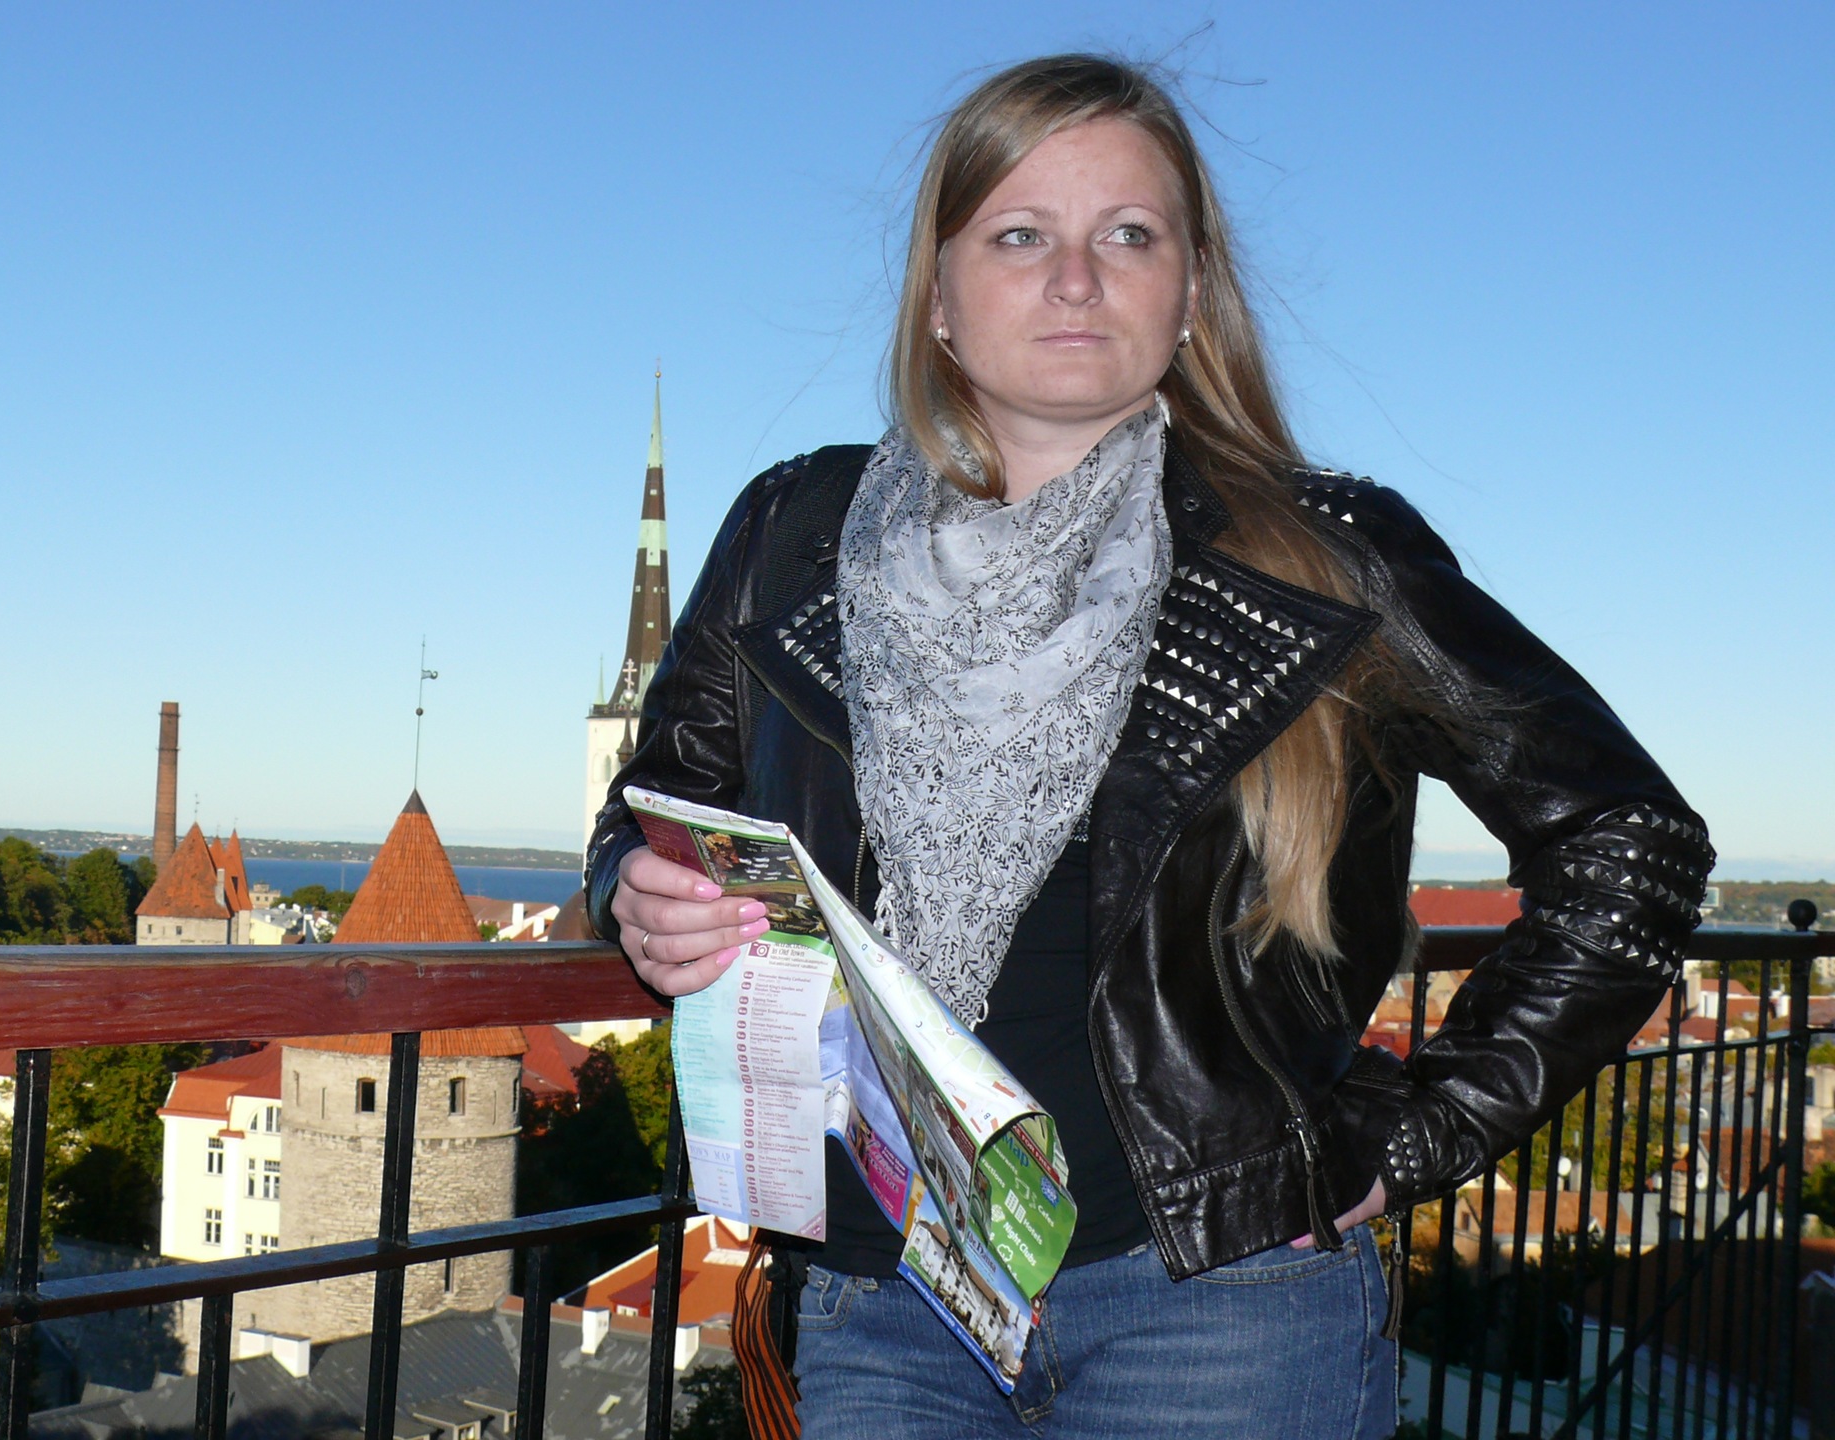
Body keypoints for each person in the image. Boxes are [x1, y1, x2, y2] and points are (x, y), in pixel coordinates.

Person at [582, 54, 1712, 1440]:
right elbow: (658, 809)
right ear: (938, 298)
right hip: (888, 1298)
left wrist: (1421, 1135)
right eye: (1019, 235)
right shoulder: (792, 533)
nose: (1075, 278)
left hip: (1224, 1310)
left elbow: (1629, 841)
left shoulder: (1322, 556)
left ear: (1190, 292)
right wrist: (638, 893)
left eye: (1128, 235)